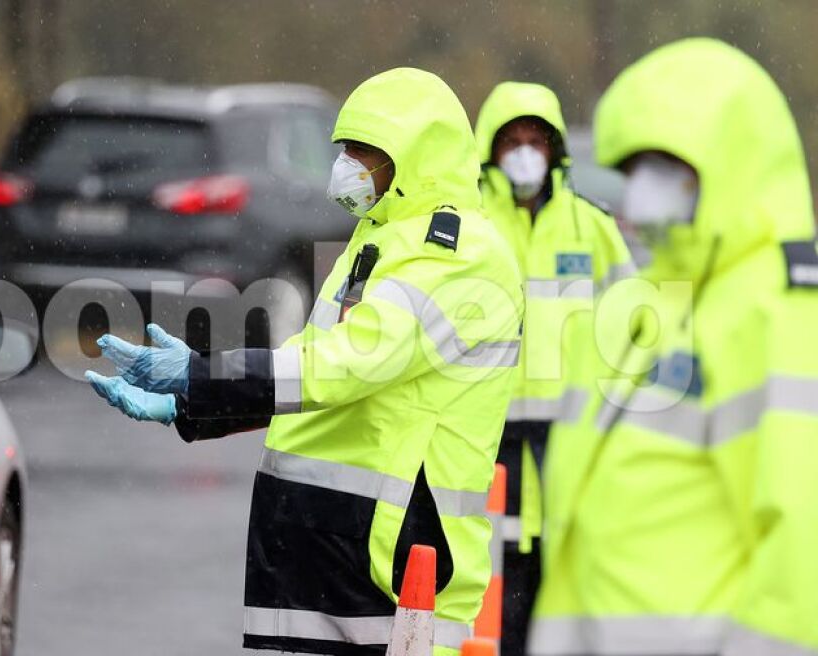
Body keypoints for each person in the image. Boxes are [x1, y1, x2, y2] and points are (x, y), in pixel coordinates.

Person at [86, 67, 524, 656]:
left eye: (367, 153)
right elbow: (314, 365)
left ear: (419, 158)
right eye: (346, 150)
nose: (349, 166)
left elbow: (348, 365)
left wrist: (203, 376)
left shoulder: (459, 253)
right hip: (323, 546)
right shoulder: (379, 238)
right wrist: (193, 406)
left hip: (391, 567)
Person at [529, 38, 818, 655]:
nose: (641, 194)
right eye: (634, 171)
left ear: (729, 163)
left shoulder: (779, 313)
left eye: (666, 168)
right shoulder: (645, 307)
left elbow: (801, 554)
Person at [470, 82, 633, 656]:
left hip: (569, 442)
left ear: (555, 149)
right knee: (481, 585)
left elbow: (633, 330)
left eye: (535, 141)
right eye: (510, 141)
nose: (523, 153)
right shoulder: (468, 226)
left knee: (558, 581)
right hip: (481, 441)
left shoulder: (593, 227)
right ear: (489, 151)